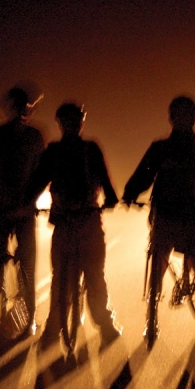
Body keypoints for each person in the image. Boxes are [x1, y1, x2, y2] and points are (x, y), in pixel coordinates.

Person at [25, 102, 121, 356]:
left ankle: (55, 332)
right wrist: (110, 199)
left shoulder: (63, 151)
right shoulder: (83, 149)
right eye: (69, 120)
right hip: (81, 222)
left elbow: (37, 183)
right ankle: (102, 327)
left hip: (72, 223)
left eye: (75, 120)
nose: (73, 125)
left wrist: (27, 203)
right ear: (62, 123)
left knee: (79, 277)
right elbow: (38, 182)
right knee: (87, 277)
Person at [122, 95, 195, 342]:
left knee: (174, 260)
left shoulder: (172, 150)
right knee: (173, 262)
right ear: (175, 118)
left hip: (180, 215)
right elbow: (145, 174)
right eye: (181, 115)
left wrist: (130, 194)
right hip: (177, 215)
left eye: (187, 115)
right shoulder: (191, 152)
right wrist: (130, 191)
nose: (184, 119)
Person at [0, 85, 45, 335]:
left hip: (17, 207)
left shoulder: (28, 136)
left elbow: (41, 172)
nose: (20, 112)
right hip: (12, 206)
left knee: (14, 259)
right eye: (18, 107)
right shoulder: (26, 136)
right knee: (14, 259)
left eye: (23, 108)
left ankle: (10, 312)